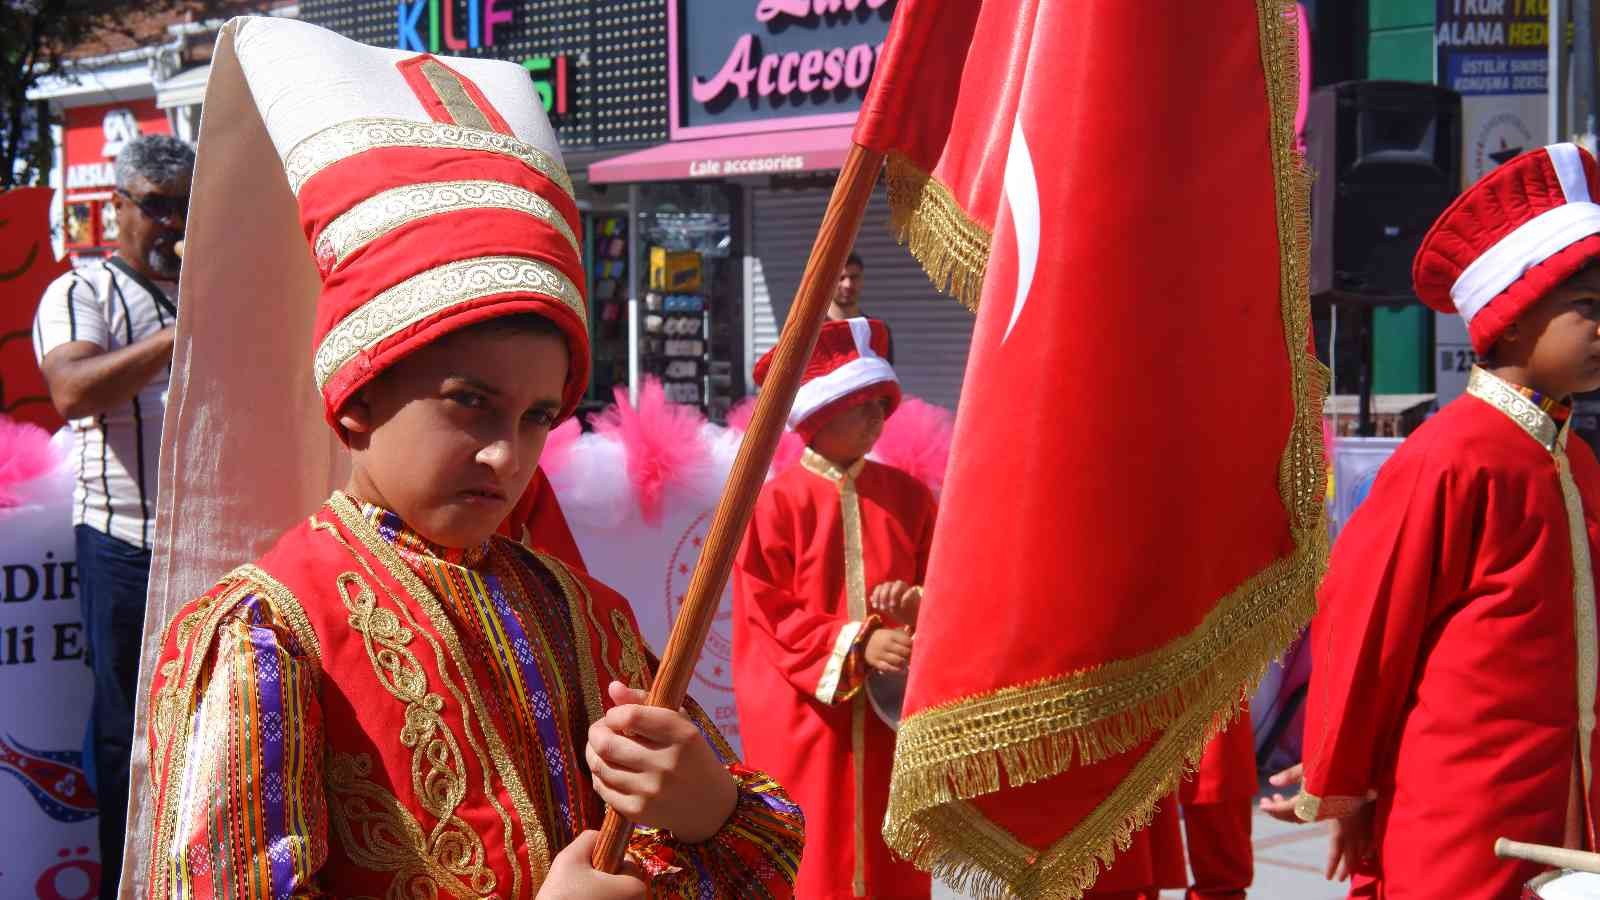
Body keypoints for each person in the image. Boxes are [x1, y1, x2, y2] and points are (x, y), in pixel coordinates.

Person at [139, 17, 802, 898]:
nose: (505, 452)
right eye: (469, 403)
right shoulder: (269, 638)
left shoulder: (582, 614)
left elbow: (764, 863)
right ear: (358, 397)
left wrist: (709, 807)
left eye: (537, 416)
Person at [1273, 142, 1600, 899]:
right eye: (1587, 306)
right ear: (1514, 318)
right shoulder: (1448, 457)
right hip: (1464, 816)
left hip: (1566, 814)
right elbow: (1366, 629)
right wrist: (1341, 783)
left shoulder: (1577, 462)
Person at [31, 132, 190, 899]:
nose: (172, 224)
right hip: (123, 547)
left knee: (203, 729)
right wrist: (173, 336)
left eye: (185, 207)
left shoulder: (208, 287)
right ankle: (125, 883)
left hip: (206, 548)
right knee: (126, 734)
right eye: (156, 207)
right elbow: (72, 393)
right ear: (116, 207)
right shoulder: (80, 290)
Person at [732, 317, 934, 899]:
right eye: (863, 403)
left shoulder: (911, 498)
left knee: (894, 848)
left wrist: (921, 611)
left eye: (882, 403)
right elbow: (768, 614)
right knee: (814, 851)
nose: (879, 416)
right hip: (808, 720)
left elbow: (944, 589)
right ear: (819, 416)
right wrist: (856, 643)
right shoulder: (774, 504)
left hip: (891, 714)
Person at [827, 252, 894, 363]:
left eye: (854, 277)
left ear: (862, 280)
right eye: (840, 278)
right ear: (828, 281)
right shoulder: (813, 333)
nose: (847, 284)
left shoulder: (877, 331)